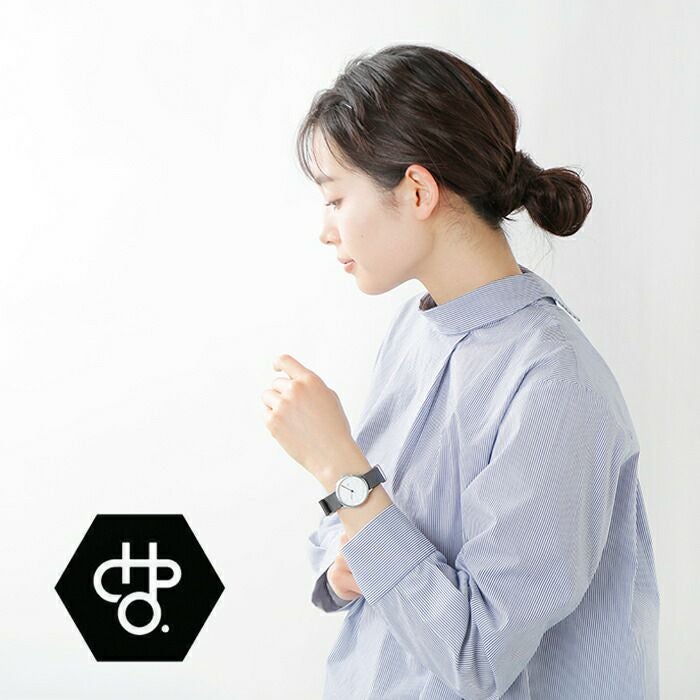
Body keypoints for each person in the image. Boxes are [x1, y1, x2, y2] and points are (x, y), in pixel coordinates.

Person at [300, 43, 659, 699]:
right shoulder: (415, 328)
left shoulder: (553, 384)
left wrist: (338, 467)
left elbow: (478, 658)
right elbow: (364, 525)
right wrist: (345, 566)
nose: (326, 230)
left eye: (335, 198)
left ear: (417, 191)